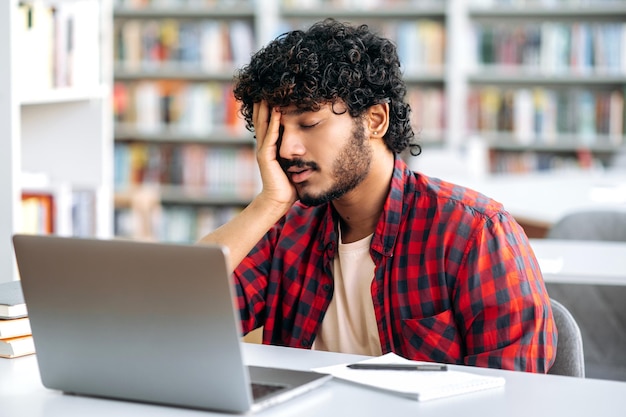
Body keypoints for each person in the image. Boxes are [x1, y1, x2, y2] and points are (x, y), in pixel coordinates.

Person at [199, 19, 557, 372]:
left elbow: (515, 389)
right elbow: (170, 312)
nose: (288, 148)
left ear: (374, 120)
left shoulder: (474, 232)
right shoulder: (285, 231)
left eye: (308, 124)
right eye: (275, 132)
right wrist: (268, 204)